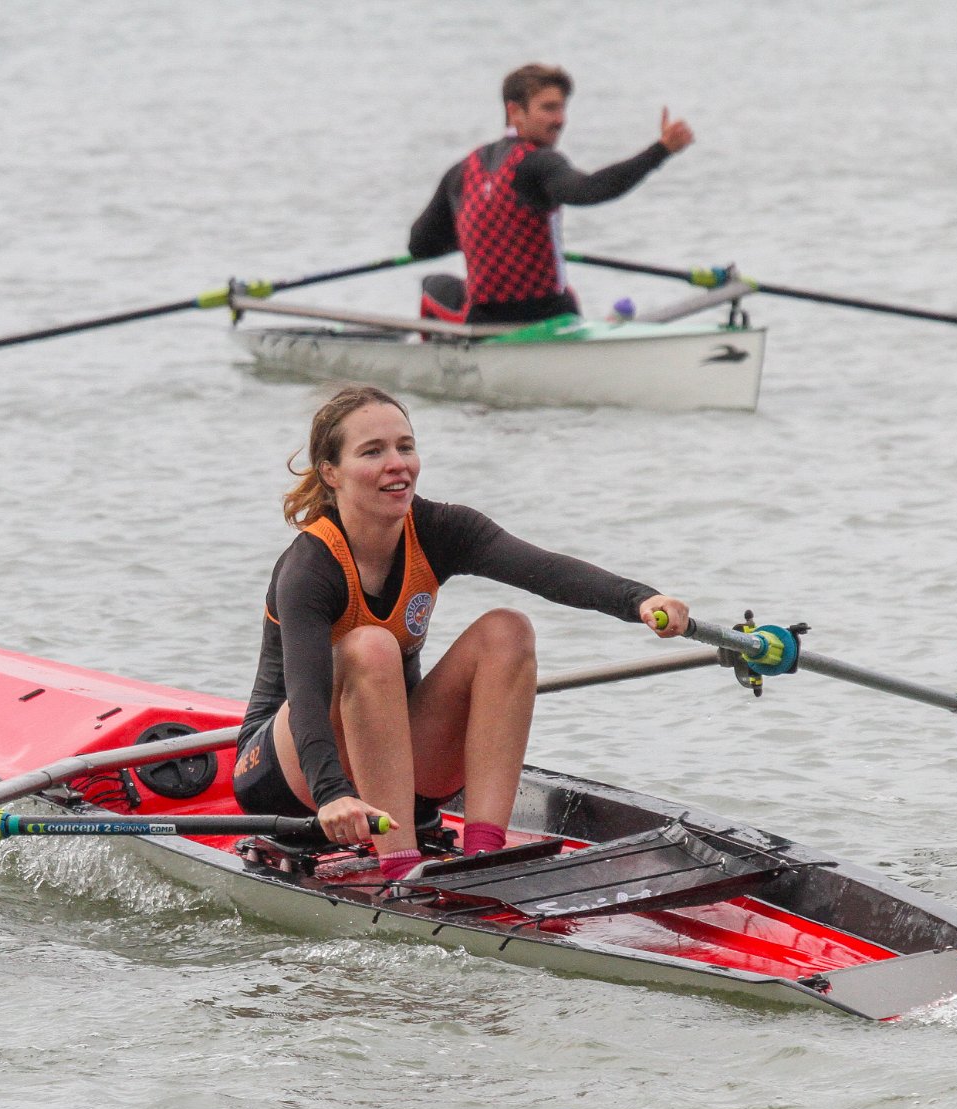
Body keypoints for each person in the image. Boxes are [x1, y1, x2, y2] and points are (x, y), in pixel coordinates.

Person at [232, 385, 689, 882]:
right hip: (286, 775)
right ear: (331, 473)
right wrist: (331, 794)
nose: (397, 464)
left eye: (405, 446)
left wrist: (641, 600)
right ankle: (400, 864)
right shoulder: (310, 568)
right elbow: (305, 697)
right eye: (373, 451)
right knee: (371, 645)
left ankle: (484, 856)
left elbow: (548, 572)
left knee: (507, 630)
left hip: (396, 763)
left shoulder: (440, 528)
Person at [407, 63, 695, 324]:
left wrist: (482, 237)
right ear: (515, 112)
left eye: (562, 108)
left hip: (484, 324)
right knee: (562, 291)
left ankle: (435, 352)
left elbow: (421, 246)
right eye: (549, 108)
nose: (561, 119)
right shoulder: (540, 161)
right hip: (549, 315)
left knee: (433, 285)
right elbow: (590, 189)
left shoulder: (461, 172)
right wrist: (661, 151)